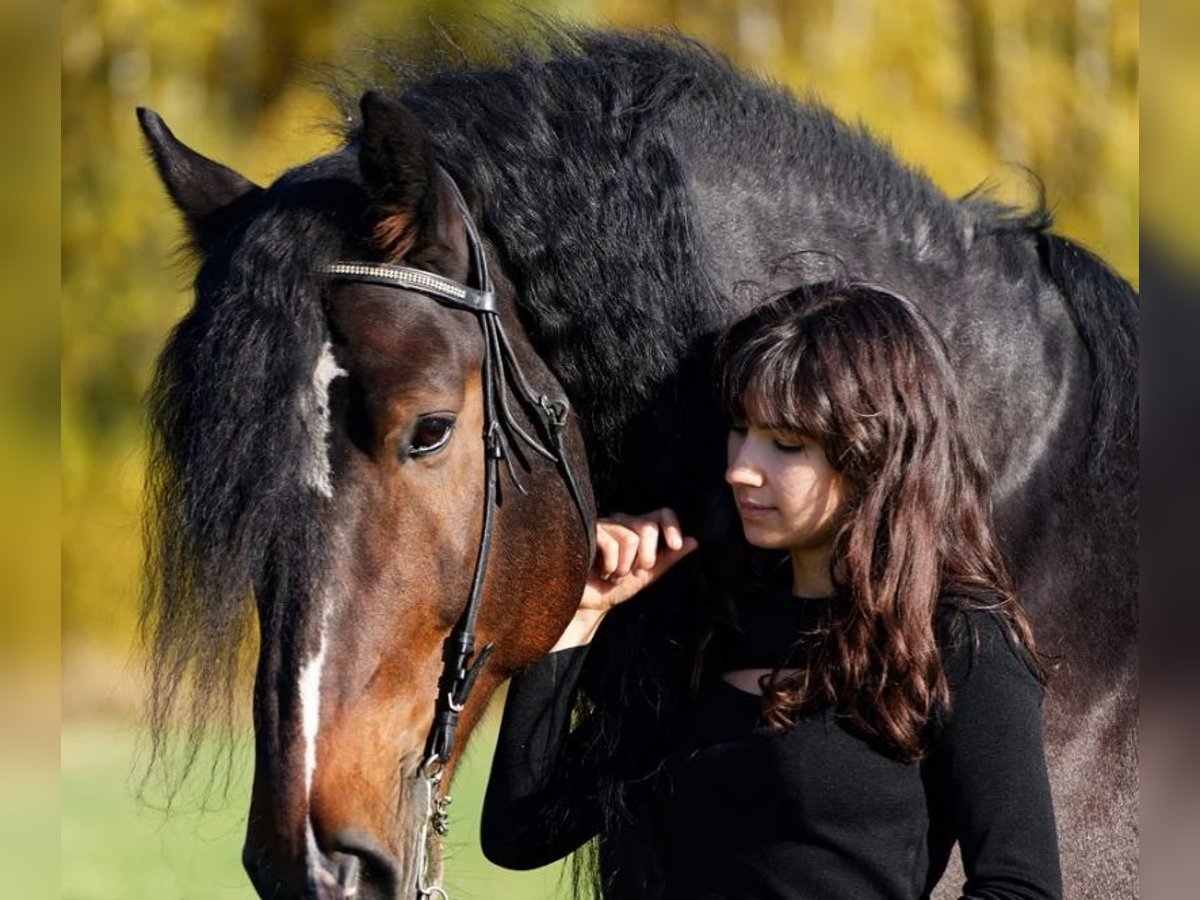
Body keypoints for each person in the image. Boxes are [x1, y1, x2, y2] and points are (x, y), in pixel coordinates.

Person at [481, 282, 1062, 899]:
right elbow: (522, 834)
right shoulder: (704, 616)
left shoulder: (957, 636)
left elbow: (1019, 888)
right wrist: (579, 617)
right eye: (740, 429)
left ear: (875, 454)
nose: (740, 468)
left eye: (786, 444)